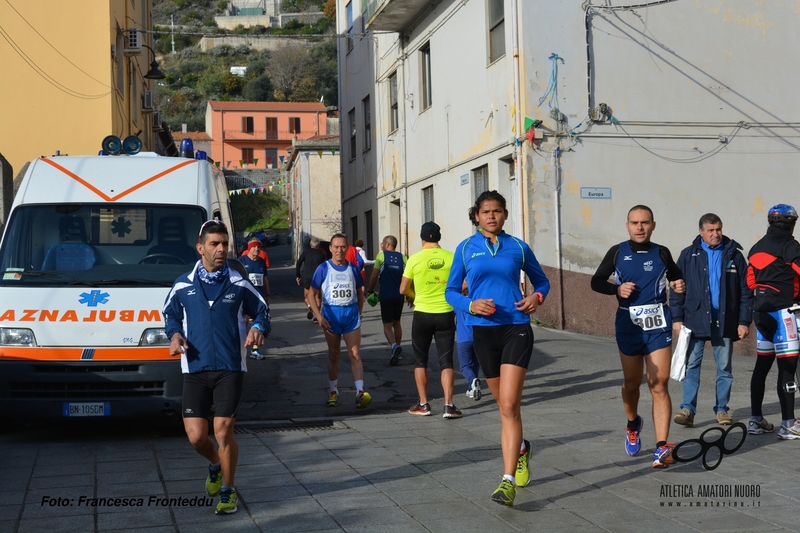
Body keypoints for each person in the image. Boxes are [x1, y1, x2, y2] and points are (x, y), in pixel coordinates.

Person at [446, 191, 550, 507]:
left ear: (505, 215)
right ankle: (520, 449)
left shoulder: (518, 247)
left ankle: (506, 482)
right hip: (483, 335)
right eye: (486, 211)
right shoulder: (465, 249)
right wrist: (470, 304)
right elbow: (450, 291)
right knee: (503, 406)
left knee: (508, 405)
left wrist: (537, 298)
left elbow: (541, 282)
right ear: (476, 216)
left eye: (497, 211)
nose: (492, 216)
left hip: (516, 328)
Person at [163, 220, 270, 515]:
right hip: (195, 368)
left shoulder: (238, 282)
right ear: (201, 248)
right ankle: (214, 463)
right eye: (214, 244)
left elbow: (262, 309)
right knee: (197, 436)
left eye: (224, 243)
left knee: (223, 430)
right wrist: (174, 335)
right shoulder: (183, 284)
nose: (221, 249)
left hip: (230, 367)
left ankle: (227, 490)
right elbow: (169, 315)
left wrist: (258, 327)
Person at [591, 205, 685, 469]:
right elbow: (596, 281)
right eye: (635, 223)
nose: (640, 227)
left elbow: (677, 278)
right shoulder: (618, 251)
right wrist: (616, 289)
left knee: (659, 383)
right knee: (632, 383)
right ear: (627, 225)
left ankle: (661, 447)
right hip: (628, 322)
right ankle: (633, 423)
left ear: (653, 225)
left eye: (645, 222)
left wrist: (679, 284)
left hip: (658, 321)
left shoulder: (662, 252)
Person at [670, 214, 752, 427]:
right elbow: (677, 288)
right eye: (711, 230)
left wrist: (744, 321)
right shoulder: (688, 255)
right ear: (701, 232)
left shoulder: (734, 255)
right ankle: (687, 409)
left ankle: (722, 410)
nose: (716, 234)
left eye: (718, 229)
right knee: (691, 366)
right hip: (695, 318)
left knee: (724, 368)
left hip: (724, 320)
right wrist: (677, 318)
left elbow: (745, 290)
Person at [746, 204, 800, 439]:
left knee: (762, 367)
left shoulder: (756, 247)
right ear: (791, 224)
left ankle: (756, 419)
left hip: (761, 313)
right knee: (787, 369)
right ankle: (789, 423)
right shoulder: (790, 245)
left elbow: (750, 281)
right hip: (784, 312)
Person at [400, 222, 461, 420]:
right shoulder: (452, 257)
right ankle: (449, 406)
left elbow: (403, 289)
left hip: (422, 314)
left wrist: (415, 296)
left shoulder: (415, 259)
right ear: (439, 238)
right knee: (446, 361)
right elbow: (464, 284)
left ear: (422, 238)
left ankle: (424, 404)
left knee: (420, 360)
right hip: (445, 313)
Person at [308, 233, 371, 409]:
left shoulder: (353, 268)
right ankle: (333, 390)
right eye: (336, 247)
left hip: (351, 317)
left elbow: (360, 292)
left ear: (347, 248)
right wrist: (319, 317)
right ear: (330, 249)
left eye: (343, 247)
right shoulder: (323, 268)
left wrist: (359, 312)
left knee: (355, 353)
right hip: (331, 318)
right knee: (334, 355)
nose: (339, 250)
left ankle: (360, 392)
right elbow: (311, 295)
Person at [366, 235, 410, 366]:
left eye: (382, 243)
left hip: (385, 296)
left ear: (387, 244)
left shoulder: (381, 256)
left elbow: (374, 275)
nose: (381, 245)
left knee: (387, 324)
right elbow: (408, 277)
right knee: (397, 322)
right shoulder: (403, 258)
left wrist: (370, 290)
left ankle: (394, 346)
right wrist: (409, 294)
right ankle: (398, 351)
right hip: (399, 296)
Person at [241, 237, 271, 360]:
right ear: (249, 248)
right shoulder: (241, 261)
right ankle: (241, 346)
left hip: (258, 298)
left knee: (257, 324)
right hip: (245, 297)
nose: (256, 249)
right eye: (254, 246)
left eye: (258, 247)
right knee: (244, 322)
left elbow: (265, 279)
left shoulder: (261, 262)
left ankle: (255, 349)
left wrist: (268, 295)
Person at [455, 283, 482, 401]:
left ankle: (472, 380)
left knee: (465, 366)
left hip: (463, 339)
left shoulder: (458, 304)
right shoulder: (476, 303)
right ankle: (471, 389)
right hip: (477, 338)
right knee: (475, 364)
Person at [295, 237, 326, 321]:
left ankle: (310, 306)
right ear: (319, 245)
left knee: (306, 297)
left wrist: (298, 275)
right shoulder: (322, 254)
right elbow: (326, 267)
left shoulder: (305, 253)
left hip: (307, 278)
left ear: (310, 244)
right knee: (317, 298)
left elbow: (298, 263)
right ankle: (316, 316)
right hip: (318, 278)